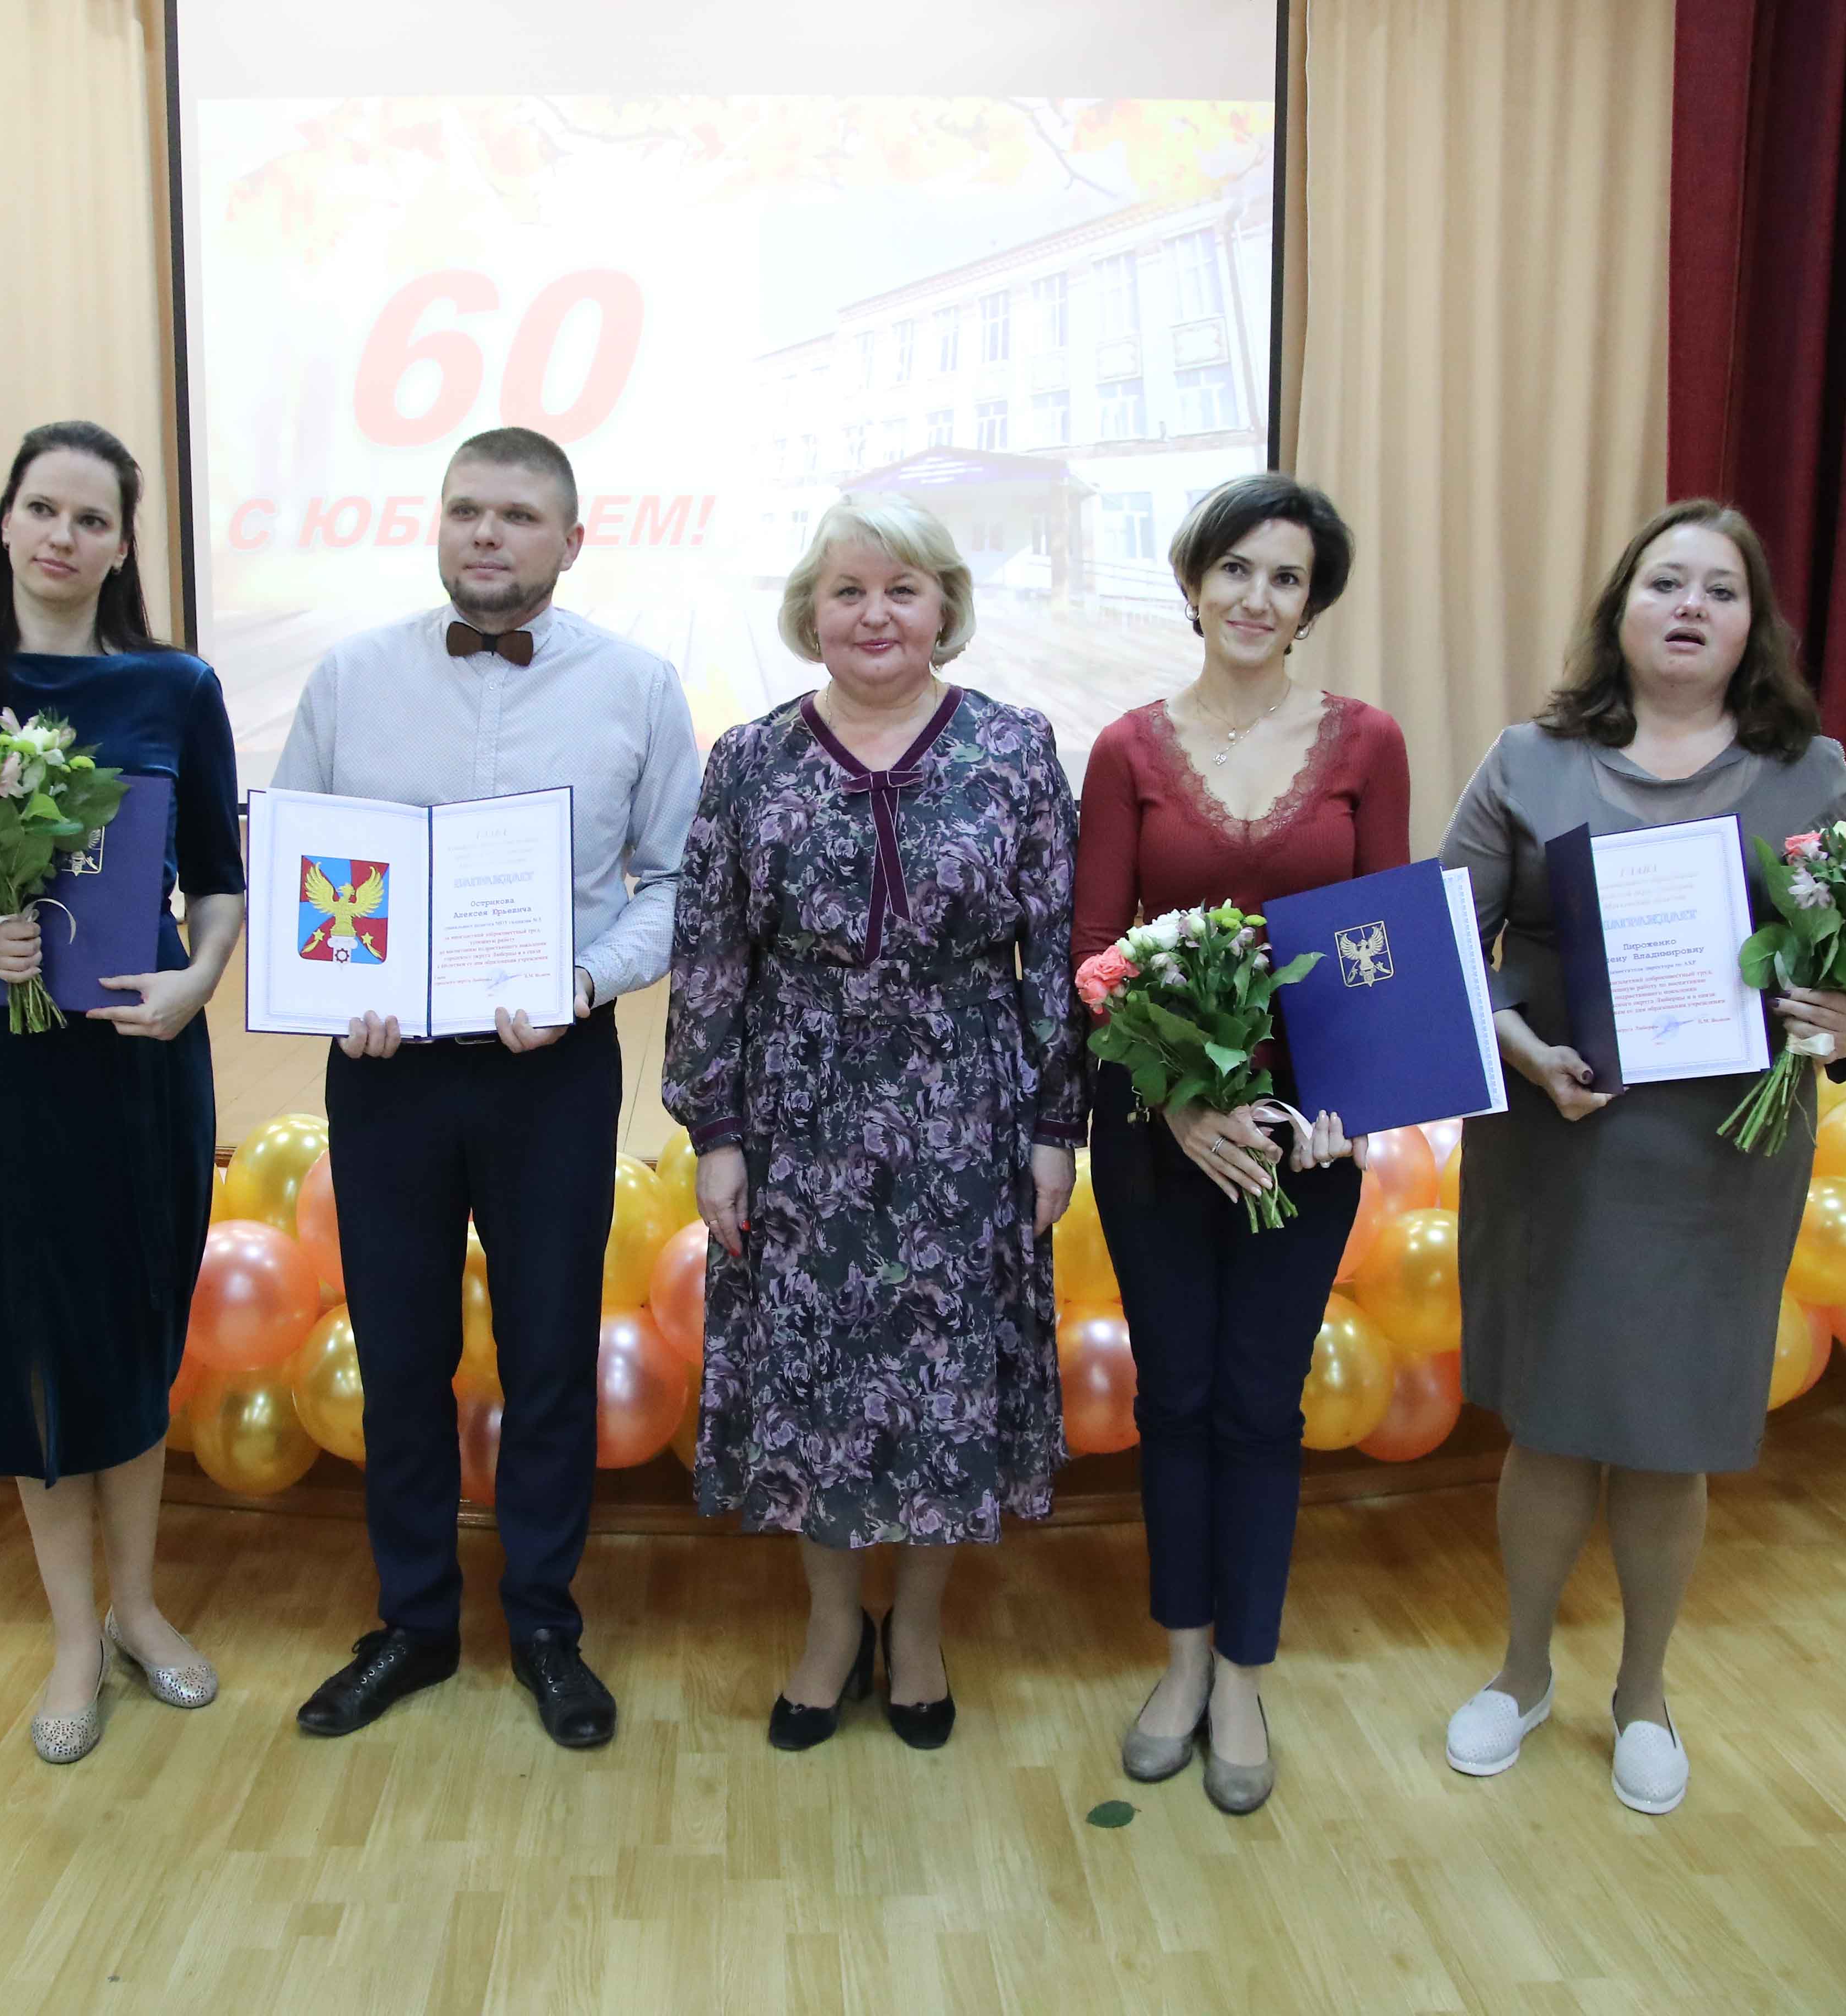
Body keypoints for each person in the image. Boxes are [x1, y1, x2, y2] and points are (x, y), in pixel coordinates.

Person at [1436, 498, 1846, 1815]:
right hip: (1557, 1128)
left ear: (1753, 627)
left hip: (1718, 1153)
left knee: (1669, 1430)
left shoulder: (1812, 777)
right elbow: (1448, 941)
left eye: (1719, 590)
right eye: (1664, 583)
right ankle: (1520, 1674)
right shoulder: (1528, 759)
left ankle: (1642, 1695)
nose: (1689, 607)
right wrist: (1522, 1052)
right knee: (1552, 1422)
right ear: (1619, 610)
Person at [274, 426, 699, 1751]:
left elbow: (676, 883)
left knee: (548, 1358)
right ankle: (411, 1622)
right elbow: (303, 865)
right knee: (401, 1358)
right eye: (466, 509)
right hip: (384, 1073)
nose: (486, 534)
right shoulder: (351, 678)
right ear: (438, 524)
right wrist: (337, 984)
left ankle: (544, 1625)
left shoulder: (636, 686)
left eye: (516, 515)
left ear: (570, 540)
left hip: (550, 1071)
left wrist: (583, 977)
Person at [665, 494, 1083, 1754]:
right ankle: (832, 1622)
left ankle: (919, 1629)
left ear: (944, 606)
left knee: (944, 1379)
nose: (874, 613)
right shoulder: (748, 758)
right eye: (847, 590)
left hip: (966, 1112)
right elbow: (708, 954)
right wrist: (716, 1131)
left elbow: (1057, 948)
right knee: (815, 1380)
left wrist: (1054, 1124)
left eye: (902, 588)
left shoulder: (1014, 747)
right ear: (810, 612)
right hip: (796, 1117)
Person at [0, 421, 246, 1766]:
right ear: (6, 520)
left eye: (91, 519)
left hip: (136, 1047)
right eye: (42, 508)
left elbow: (217, 878)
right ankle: (73, 1636)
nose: (61, 535)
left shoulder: (176, 685)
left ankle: (141, 1607)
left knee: (129, 1327)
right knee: (28, 1333)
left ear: (121, 545)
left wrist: (197, 980)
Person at [1068, 475, 1407, 1813]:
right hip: (1159, 1132)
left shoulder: (1367, 743)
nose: (1256, 597)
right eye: (1235, 569)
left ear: (1310, 602)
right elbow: (1095, 956)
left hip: (1307, 1139)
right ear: (1193, 582)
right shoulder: (1126, 751)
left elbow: (1380, 945)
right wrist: (1178, 1106)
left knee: (1262, 1404)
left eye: (1285, 577)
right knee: (1176, 1398)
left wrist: (1350, 1100)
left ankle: (1245, 1678)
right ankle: (1179, 1663)